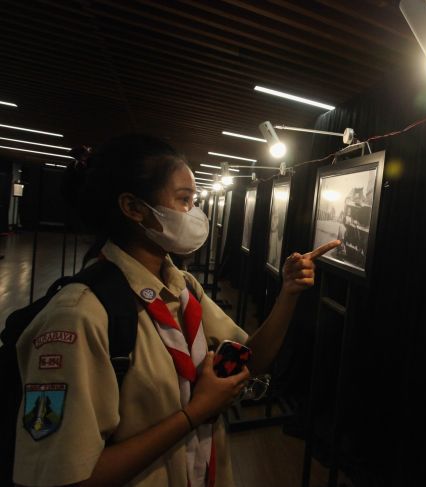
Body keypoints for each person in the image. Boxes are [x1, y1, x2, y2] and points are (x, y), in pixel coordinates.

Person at [13, 134, 339, 487]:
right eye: (184, 200)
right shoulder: (79, 316)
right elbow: (65, 478)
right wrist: (195, 412)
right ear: (133, 207)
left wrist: (288, 293)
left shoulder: (183, 287)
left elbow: (250, 361)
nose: (194, 214)